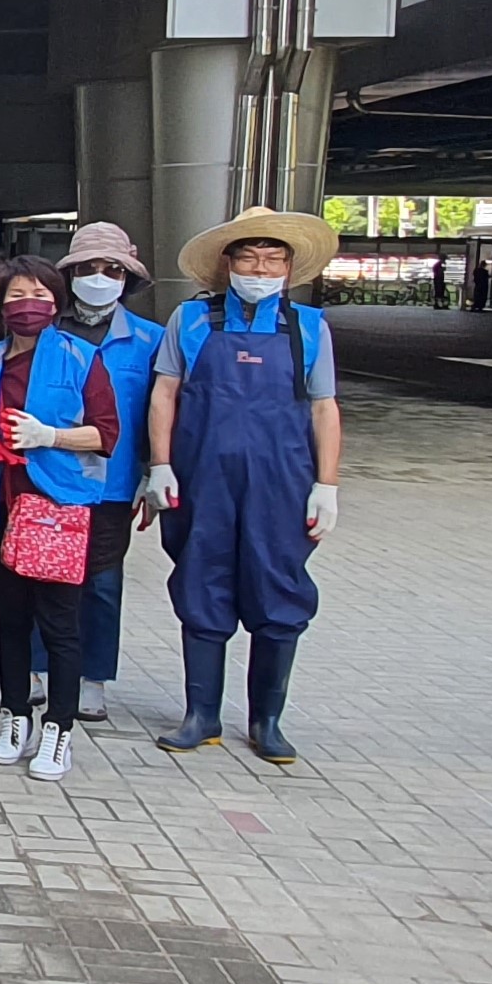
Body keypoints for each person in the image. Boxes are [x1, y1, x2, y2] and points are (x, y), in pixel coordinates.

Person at [143, 206, 343, 765]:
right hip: (202, 481)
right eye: (249, 257)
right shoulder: (190, 320)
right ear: (227, 263)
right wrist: (160, 464)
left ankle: (267, 721)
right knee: (201, 584)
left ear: (289, 268)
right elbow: (164, 394)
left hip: (282, 485)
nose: (261, 268)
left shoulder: (308, 328)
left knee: (279, 589)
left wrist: (326, 484)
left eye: (273, 259)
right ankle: (201, 715)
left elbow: (324, 408)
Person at [0, 257, 121, 782]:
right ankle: (15, 716)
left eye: (38, 294)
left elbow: (106, 434)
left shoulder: (82, 358)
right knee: (9, 619)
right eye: (15, 296)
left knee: (60, 625)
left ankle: (59, 727)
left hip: (57, 510)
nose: (27, 304)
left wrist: (50, 436)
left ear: (56, 302)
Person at [37, 221, 165, 724]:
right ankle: (38, 669)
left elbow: (159, 413)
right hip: (49, 477)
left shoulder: (150, 341)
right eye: (87, 269)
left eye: (111, 270)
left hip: (113, 486)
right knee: (41, 573)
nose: (98, 278)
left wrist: (154, 472)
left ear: (126, 278)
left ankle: (93, 678)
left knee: (102, 584)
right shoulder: (46, 334)